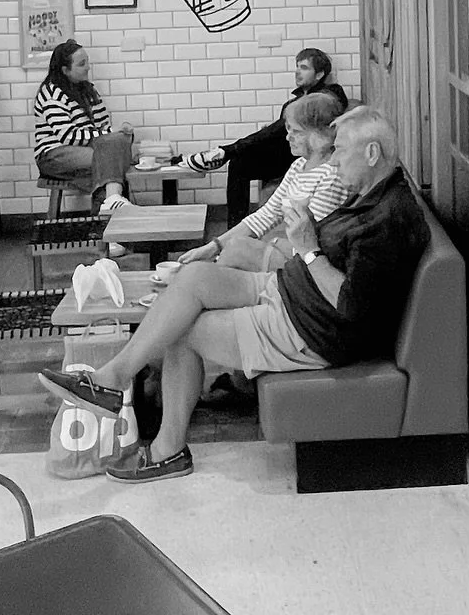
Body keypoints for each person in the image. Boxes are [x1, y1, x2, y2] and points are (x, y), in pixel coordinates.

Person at [38, 105, 429, 484]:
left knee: (184, 330)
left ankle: (167, 450)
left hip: (312, 330)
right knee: (193, 278)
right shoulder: (373, 193)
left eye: (341, 151)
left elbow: (349, 304)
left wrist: (307, 248)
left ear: (372, 153)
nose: (335, 160)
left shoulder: (387, 220)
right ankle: (113, 378)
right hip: (290, 292)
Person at [179, 90, 348, 272]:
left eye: (296, 132)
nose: (287, 137)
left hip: (313, 265)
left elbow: (314, 241)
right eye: (288, 129)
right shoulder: (300, 165)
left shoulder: (331, 175)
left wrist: (274, 246)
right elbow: (268, 214)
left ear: (320, 135)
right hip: (295, 253)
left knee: (234, 253)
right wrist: (212, 247)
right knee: (232, 249)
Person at [183, 47, 347, 227]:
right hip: (288, 155)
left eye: (304, 67)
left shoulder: (331, 94)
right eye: (297, 66)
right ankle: (234, 224)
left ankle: (226, 151)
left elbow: (291, 127)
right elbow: (281, 132)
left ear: (319, 74)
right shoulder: (294, 101)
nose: (297, 72)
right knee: (240, 162)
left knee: (264, 137)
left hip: (306, 156)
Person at [34, 40, 140, 254]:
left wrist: (120, 133)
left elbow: (103, 127)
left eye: (87, 62)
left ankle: (110, 207)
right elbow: (68, 136)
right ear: (65, 69)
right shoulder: (52, 93)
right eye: (82, 64)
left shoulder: (89, 91)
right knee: (111, 160)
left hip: (90, 151)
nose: (88, 67)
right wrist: (109, 136)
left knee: (115, 151)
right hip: (54, 154)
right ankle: (109, 228)